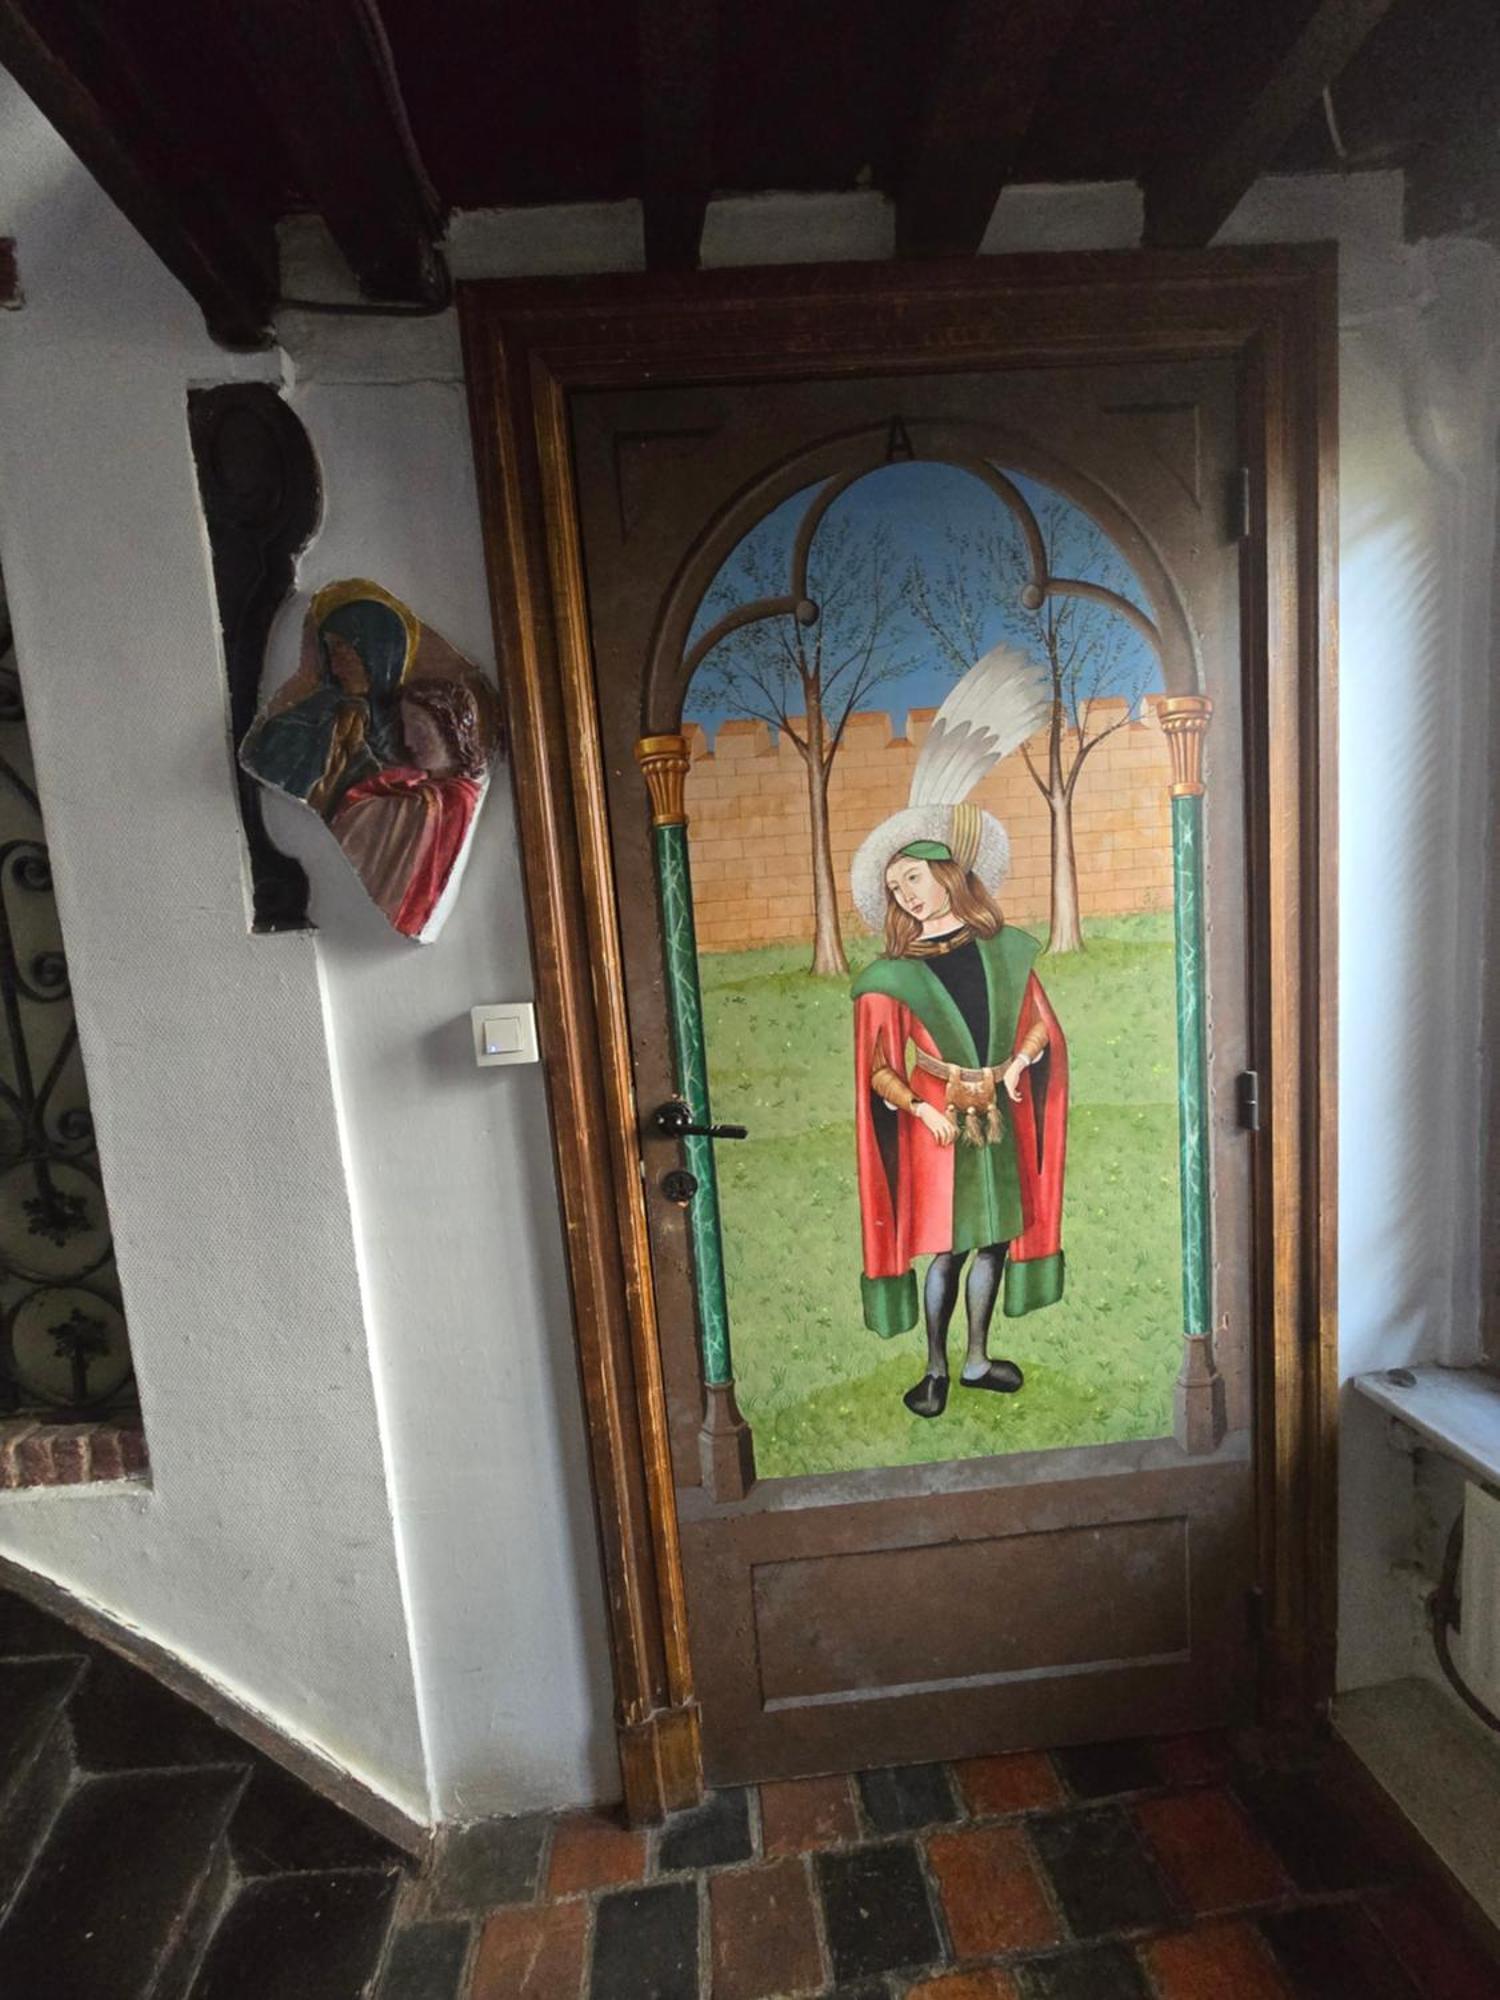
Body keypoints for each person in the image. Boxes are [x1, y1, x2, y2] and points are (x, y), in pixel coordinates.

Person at [847, 649, 1067, 1419]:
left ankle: (977, 1359)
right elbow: (878, 1068)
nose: (906, 892)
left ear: (945, 872)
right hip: (937, 1121)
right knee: (947, 1245)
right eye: (894, 887)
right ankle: (936, 1368)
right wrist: (921, 1108)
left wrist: (1020, 1064)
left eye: (912, 876)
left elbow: (1038, 1027)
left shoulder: (1006, 951)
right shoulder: (891, 977)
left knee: (994, 1239)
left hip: (998, 1113)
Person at [331, 675, 495, 938]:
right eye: (405, 728)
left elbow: (358, 824)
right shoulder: (412, 787)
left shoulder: (453, 801)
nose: (408, 741)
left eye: (418, 729)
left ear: (449, 729)